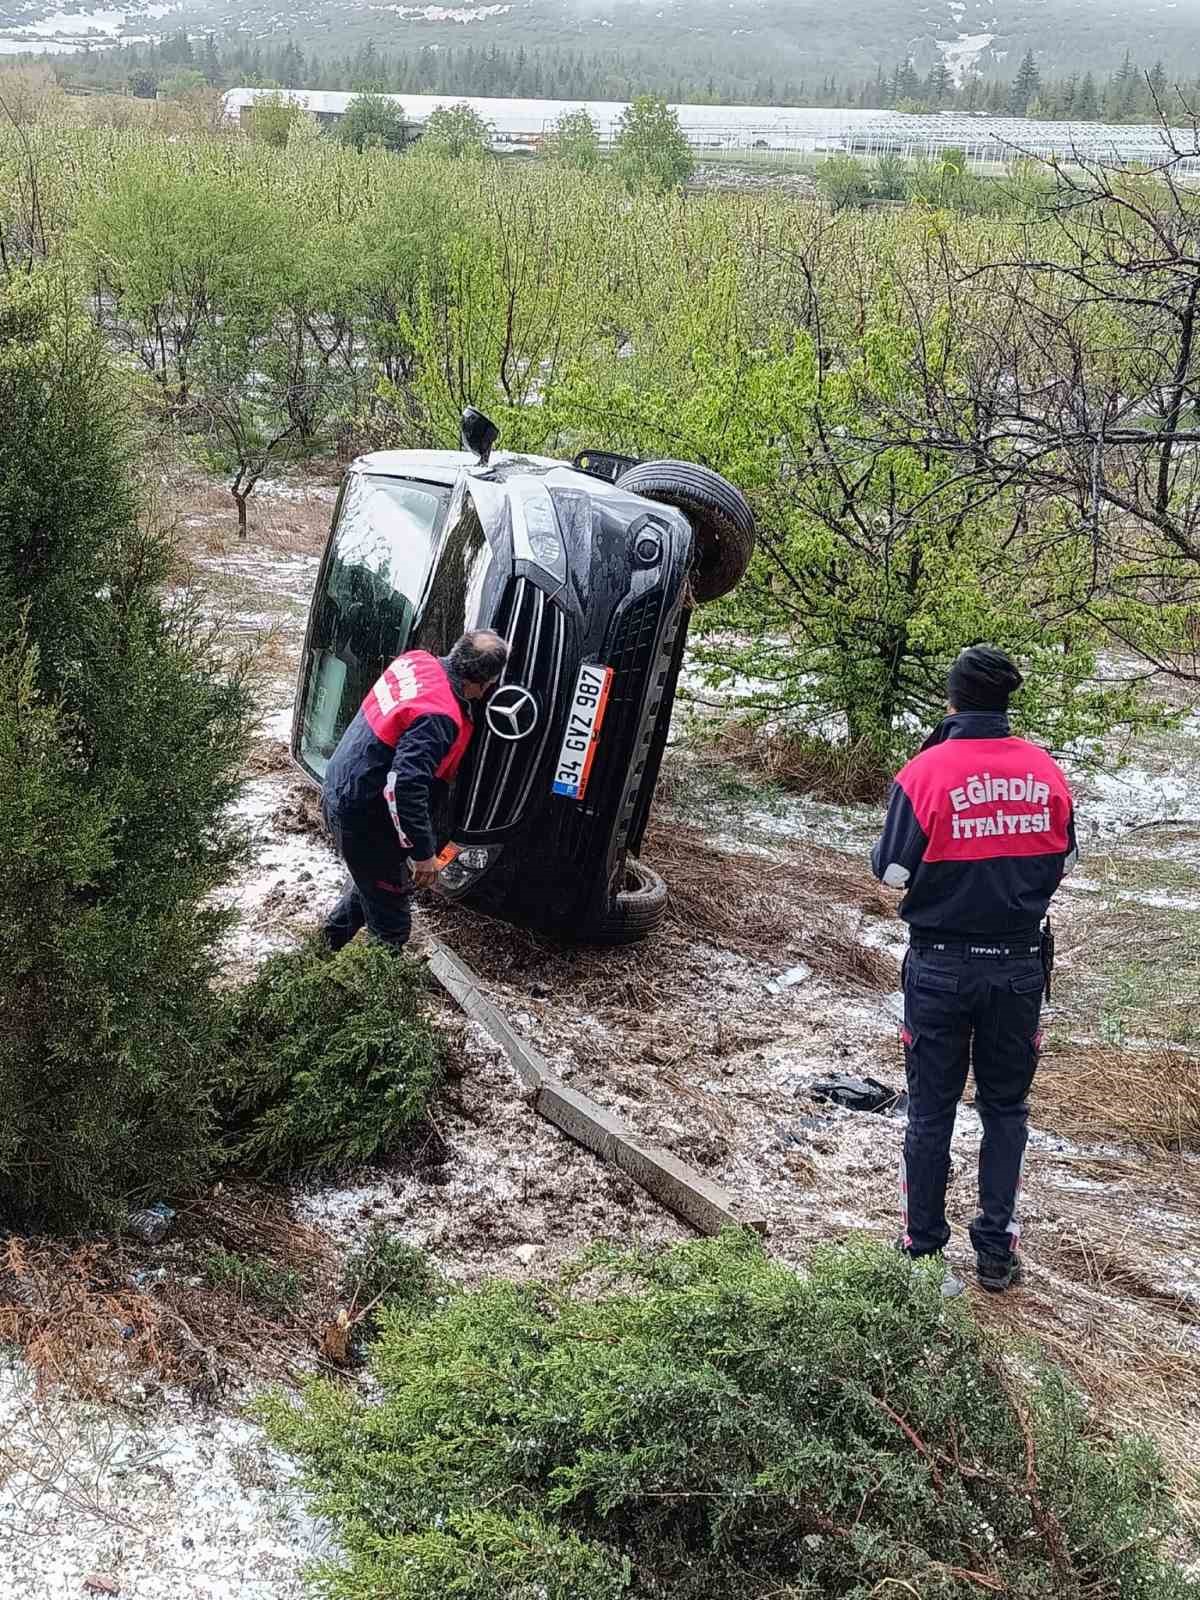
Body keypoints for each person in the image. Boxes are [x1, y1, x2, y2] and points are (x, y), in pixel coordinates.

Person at [871, 645, 1077, 1296]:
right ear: (1005, 700)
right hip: (1018, 968)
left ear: (953, 700)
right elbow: (1066, 862)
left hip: (939, 967)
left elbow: (891, 871)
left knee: (930, 1113)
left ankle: (924, 1254)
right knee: (1006, 1111)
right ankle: (995, 1254)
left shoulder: (926, 772)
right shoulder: (1046, 773)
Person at [320, 630, 510, 952]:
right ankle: (376, 993)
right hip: (362, 816)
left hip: (342, 787)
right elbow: (405, 786)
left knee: (369, 887)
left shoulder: (418, 661)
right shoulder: (439, 717)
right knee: (392, 928)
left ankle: (319, 954)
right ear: (483, 683)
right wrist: (423, 854)